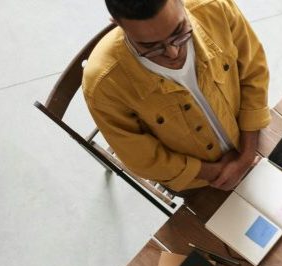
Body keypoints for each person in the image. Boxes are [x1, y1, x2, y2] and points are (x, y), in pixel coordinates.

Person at [83, 0, 270, 192]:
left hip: (252, 138)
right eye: (151, 46)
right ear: (117, 23)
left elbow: (253, 71)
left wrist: (246, 156)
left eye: (179, 32)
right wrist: (216, 172)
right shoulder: (102, 85)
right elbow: (142, 158)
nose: (173, 53)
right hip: (200, 182)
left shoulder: (214, 6)